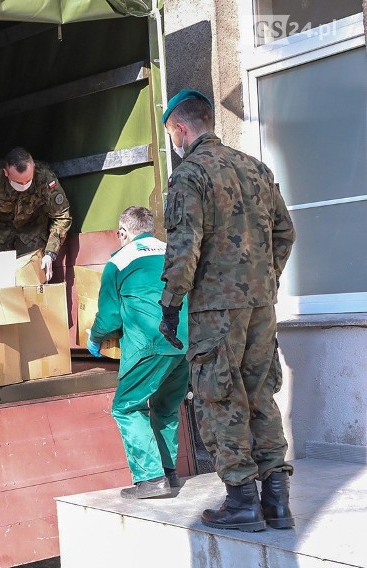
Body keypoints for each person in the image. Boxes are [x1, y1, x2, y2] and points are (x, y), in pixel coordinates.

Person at [159, 89, 296, 531]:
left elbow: (184, 248)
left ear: (180, 129)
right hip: (260, 306)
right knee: (260, 394)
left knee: (221, 399)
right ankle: (276, 501)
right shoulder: (257, 168)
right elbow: (285, 233)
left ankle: (241, 502)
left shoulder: (190, 175)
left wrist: (170, 305)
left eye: (172, 135)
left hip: (215, 310)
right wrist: (266, 281)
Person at [88, 206, 189, 499]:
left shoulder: (118, 262)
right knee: (166, 407)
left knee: (127, 407)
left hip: (150, 343)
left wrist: (94, 338)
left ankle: (150, 478)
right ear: (152, 229)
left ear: (123, 233)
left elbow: (109, 319)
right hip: (185, 343)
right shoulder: (173, 252)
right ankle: (169, 474)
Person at [0, 147, 71, 280]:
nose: (23, 185)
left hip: (32, 229)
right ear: (6, 173)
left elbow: (61, 216)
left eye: (28, 180)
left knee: (32, 278)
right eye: (18, 182)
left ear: (33, 167)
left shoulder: (45, 177)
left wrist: (50, 252)